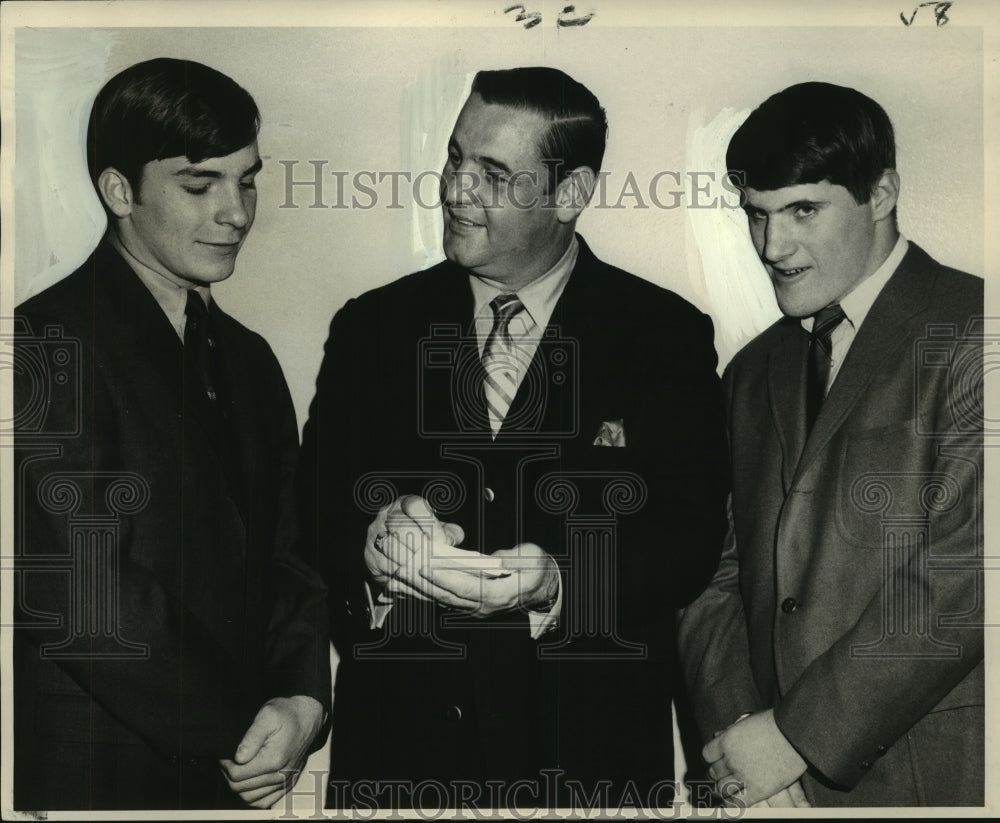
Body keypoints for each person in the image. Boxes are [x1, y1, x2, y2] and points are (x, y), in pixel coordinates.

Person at [296, 66, 728, 811]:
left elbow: (688, 540)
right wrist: (371, 544)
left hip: (589, 765)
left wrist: (561, 580)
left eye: (494, 173)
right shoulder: (370, 327)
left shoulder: (665, 335)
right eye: (457, 157)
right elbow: (309, 512)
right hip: (398, 760)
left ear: (570, 193)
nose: (457, 190)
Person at [13, 58, 331, 811]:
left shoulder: (249, 357)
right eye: (200, 184)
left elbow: (293, 554)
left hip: (236, 768)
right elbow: (84, 593)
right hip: (100, 778)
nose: (237, 212)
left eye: (246, 179)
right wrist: (244, 730)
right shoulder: (42, 343)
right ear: (118, 190)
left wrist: (301, 701)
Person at [677, 81, 984, 808]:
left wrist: (797, 736)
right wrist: (740, 743)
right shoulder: (751, 372)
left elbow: (968, 571)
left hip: (928, 776)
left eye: (802, 210)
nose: (771, 247)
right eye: (757, 215)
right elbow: (711, 570)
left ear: (882, 194)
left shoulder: (979, 329)